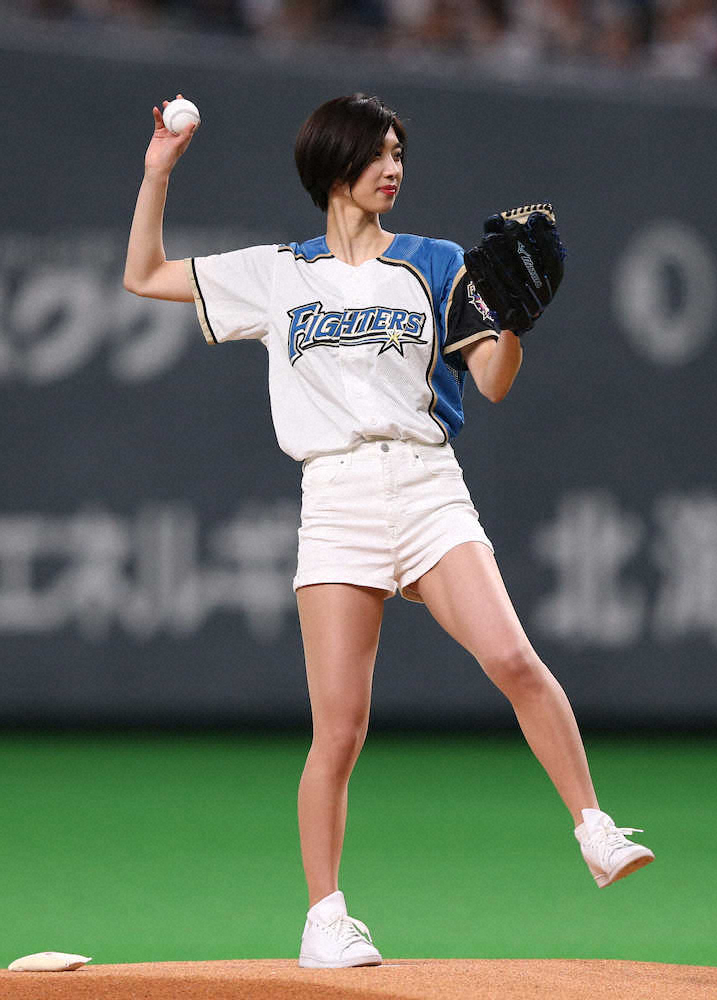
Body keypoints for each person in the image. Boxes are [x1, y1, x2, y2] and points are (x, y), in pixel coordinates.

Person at [124, 91, 655, 969]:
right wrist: (157, 173)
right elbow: (144, 274)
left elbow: (493, 382)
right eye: (377, 152)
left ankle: (593, 827)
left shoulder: (436, 262)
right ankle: (325, 918)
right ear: (334, 164)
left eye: (399, 152)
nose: (393, 167)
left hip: (424, 482)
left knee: (513, 657)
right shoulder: (277, 272)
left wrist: (515, 318)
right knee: (339, 729)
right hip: (334, 495)